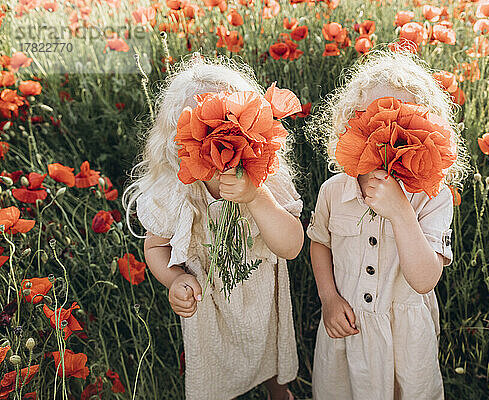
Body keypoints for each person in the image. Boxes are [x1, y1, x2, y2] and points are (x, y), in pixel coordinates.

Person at [123, 55, 304, 400]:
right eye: (202, 136)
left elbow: (291, 246)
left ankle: (277, 388)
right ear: (179, 142)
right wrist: (175, 279)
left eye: (231, 130)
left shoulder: (266, 177)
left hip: (261, 296)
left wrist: (257, 197)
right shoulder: (175, 190)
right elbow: (156, 247)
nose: (219, 146)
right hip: (209, 304)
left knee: (269, 348)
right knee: (214, 370)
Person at [306, 49, 469, 400]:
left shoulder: (432, 196)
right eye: (375, 122)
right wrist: (329, 298)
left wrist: (400, 211)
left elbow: (425, 279)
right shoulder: (335, 190)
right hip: (347, 325)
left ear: (428, 130)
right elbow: (319, 242)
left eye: (404, 124)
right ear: (352, 124)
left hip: (405, 336)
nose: (388, 137)